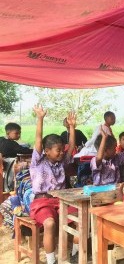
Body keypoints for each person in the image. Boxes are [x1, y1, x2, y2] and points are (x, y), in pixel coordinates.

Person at [28, 105, 79, 264]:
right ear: (47, 151)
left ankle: (75, 253)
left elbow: (70, 147)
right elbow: (38, 140)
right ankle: (51, 260)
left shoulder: (61, 161)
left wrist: (71, 127)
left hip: (61, 201)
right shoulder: (38, 161)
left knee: (81, 216)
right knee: (49, 223)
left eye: (61, 150)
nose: (62, 152)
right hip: (42, 202)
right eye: (58, 150)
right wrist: (40, 119)